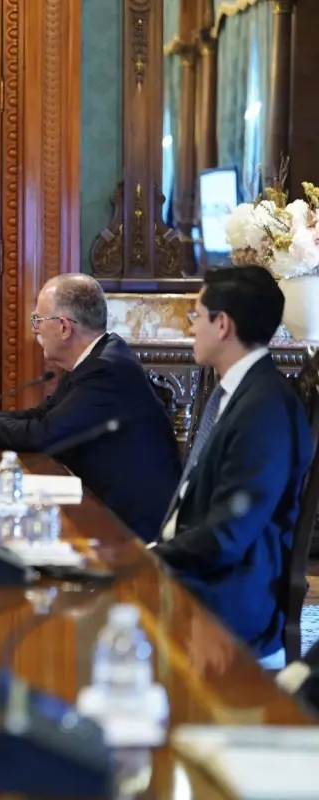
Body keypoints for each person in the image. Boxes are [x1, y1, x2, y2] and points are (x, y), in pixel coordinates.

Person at [151, 267, 311, 669]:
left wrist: (148, 559)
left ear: (222, 324)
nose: (191, 329)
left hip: (229, 592)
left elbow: (226, 537)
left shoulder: (264, 411)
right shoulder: (240, 389)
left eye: (195, 316)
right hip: (202, 569)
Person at [0, 274, 180, 542]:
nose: (34, 329)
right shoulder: (96, 358)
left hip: (128, 528)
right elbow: (42, 415)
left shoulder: (107, 369)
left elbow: (45, 434)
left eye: (38, 320)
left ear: (63, 327)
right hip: (100, 508)